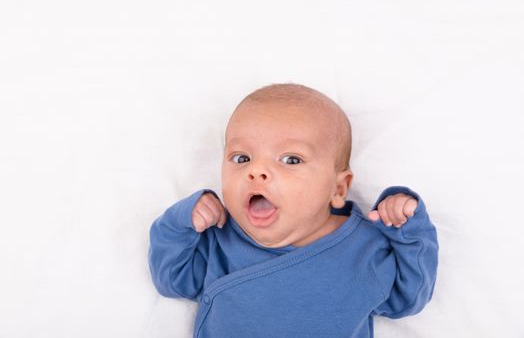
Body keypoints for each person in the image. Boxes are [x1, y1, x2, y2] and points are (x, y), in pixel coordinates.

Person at [148, 83, 438, 337]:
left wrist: (407, 228)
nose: (257, 170)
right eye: (241, 157)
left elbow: (408, 297)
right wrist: (182, 222)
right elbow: (171, 279)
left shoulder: (365, 248)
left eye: (291, 160)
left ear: (338, 188)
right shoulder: (221, 240)